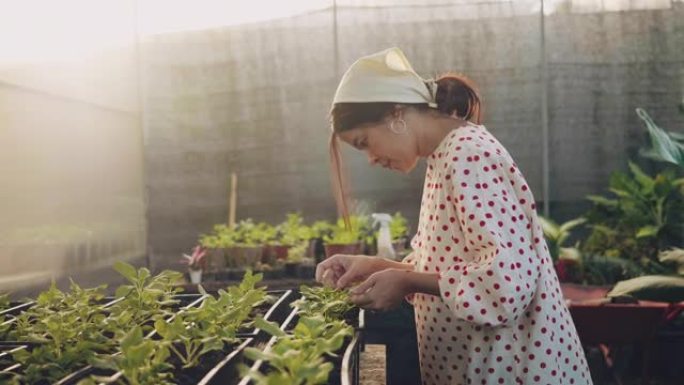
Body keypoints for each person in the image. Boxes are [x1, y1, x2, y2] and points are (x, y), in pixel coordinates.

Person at [316, 47, 592, 385]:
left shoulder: (468, 154)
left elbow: (504, 285)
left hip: (512, 371)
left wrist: (406, 281)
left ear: (395, 113)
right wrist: (377, 266)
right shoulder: (444, 156)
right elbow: (451, 270)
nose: (371, 159)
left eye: (365, 142)